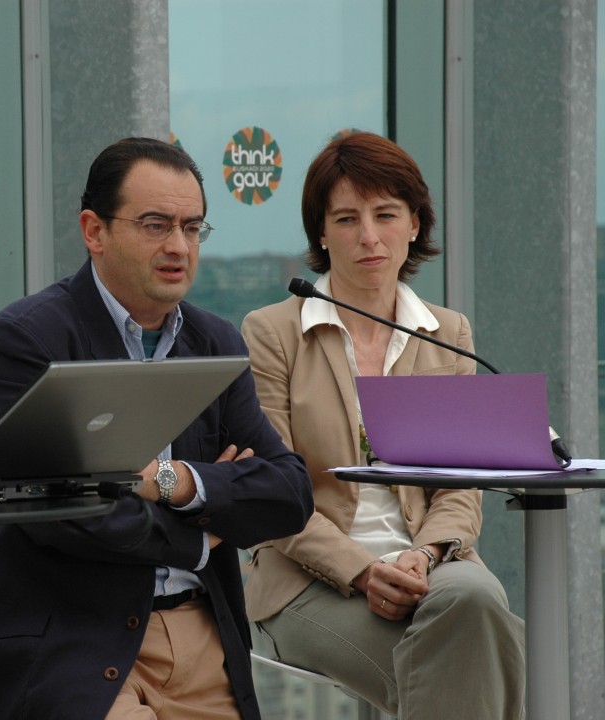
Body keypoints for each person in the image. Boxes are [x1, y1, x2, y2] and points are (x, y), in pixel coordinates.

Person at [0, 137, 313, 720]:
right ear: (94, 231)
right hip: (68, 640)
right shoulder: (30, 339)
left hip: (201, 633)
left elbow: (289, 493)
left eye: (192, 228)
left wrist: (174, 482)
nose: (178, 247)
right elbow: (59, 508)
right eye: (155, 225)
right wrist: (200, 535)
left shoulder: (214, 343)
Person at [242, 131, 526, 719]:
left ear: (415, 223)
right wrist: (362, 570)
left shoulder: (449, 334)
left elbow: (460, 486)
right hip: (308, 581)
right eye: (346, 219)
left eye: (386, 215)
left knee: (476, 596)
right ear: (321, 233)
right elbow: (270, 491)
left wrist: (423, 555)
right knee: (475, 663)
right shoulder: (272, 333)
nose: (368, 237)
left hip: (433, 570)